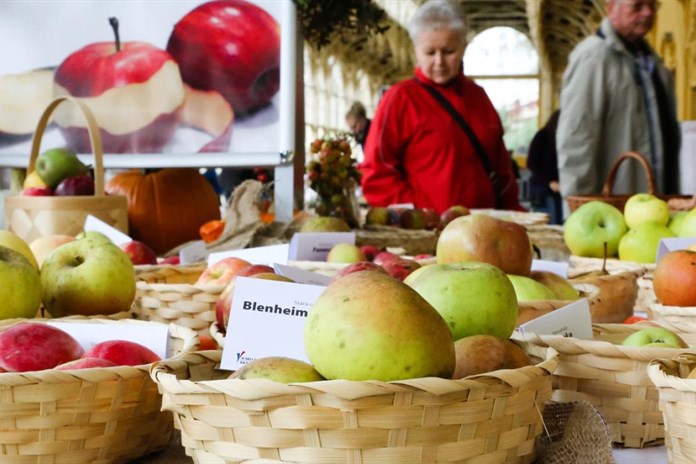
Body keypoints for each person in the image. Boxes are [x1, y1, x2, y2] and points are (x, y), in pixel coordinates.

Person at [359, 0, 523, 213]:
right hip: (427, 233)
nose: (439, 61)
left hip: (484, 232)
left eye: (448, 51)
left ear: (463, 46)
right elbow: (376, 174)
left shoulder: (479, 96)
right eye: (430, 52)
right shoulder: (399, 99)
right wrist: (418, 214)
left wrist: (513, 214)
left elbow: (502, 169)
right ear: (416, 51)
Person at [556, 0, 681, 212]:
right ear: (611, 7)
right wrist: (578, 213)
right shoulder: (594, 57)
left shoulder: (653, 64)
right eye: (637, 6)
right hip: (613, 212)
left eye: (653, 5)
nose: (648, 13)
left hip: (653, 210)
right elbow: (577, 141)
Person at [527, 110, 563, 224]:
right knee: (552, 220)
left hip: (557, 188)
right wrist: (549, 182)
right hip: (542, 188)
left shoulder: (561, 140)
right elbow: (532, 163)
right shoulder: (542, 136)